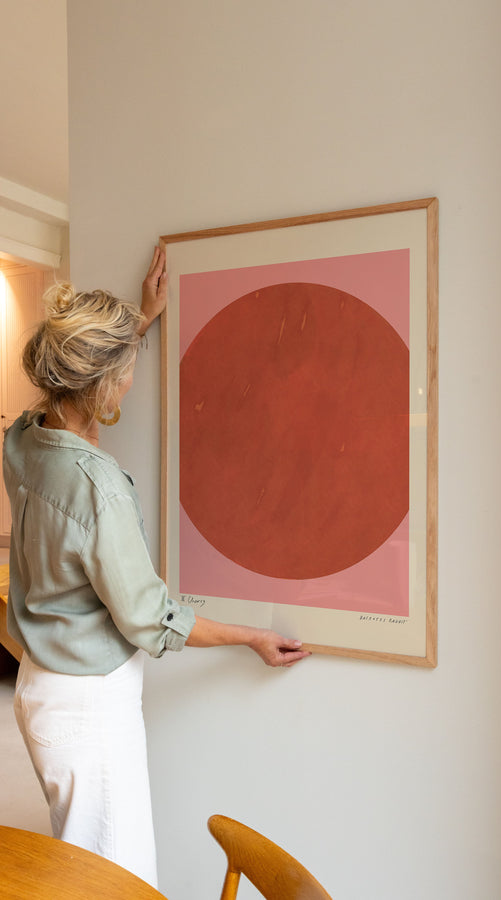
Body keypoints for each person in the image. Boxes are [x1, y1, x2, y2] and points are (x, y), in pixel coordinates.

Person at [1, 247, 310, 888]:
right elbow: (150, 618)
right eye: (125, 368)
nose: (132, 380)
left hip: (38, 688)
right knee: (119, 877)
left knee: (83, 863)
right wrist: (252, 636)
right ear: (103, 383)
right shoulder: (99, 488)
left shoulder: (23, 440)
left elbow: (73, 396)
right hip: (87, 708)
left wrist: (138, 322)